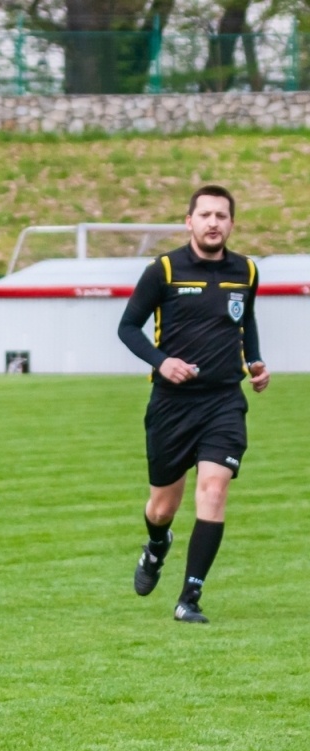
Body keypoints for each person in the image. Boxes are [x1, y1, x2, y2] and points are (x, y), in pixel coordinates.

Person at [118, 184, 269, 624]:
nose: (213, 223)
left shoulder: (246, 270)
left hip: (224, 401)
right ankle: (157, 545)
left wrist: (254, 361)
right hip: (172, 405)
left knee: (214, 490)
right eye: (205, 215)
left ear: (231, 223)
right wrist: (162, 362)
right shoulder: (163, 270)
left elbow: (245, 320)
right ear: (189, 222)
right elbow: (128, 327)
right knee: (162, 508)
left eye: (221, 216)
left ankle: (189, 598)